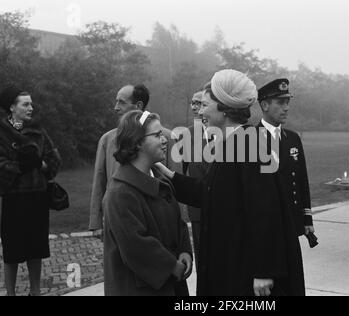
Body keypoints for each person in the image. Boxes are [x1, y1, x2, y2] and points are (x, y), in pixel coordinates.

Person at [156, 69, 306, 296]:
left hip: (246, 270)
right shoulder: (232, 143)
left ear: (224, 109)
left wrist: (263, 271)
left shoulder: (247, 145)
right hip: (234, 259)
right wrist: (172, 177)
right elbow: (214, 193)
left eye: (206, 105)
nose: (201, 111)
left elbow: (265, 212)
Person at [103, 110, 192, 296]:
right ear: (137, 142)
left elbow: (179, 223)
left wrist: (185, 251)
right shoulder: (120, 192)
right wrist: (171, 266)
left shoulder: (161, 181)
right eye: (157, 135)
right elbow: (134, 245)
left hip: (172, 285)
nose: (165, 139)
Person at [89, 84, 179, 238]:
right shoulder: (107, 139)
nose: (115, 107)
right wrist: (95, 222)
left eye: (121, 102)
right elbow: (100, 180)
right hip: (117, 215)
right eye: (116, 102)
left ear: (138, 105)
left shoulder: (169, 138)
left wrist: (179, 223)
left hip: (159, 219)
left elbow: (176, 184)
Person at [0, 87, 62, 296]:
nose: (30, 108)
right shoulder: (1, 132)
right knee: (12, 250)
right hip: (13, 198)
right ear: (11, 106)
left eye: (31, 104)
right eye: (25, 104)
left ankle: (35, 291)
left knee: (36, 248)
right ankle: (10, 293)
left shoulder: (38, 131)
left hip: (37, 197)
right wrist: (19, 167)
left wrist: (41, 164)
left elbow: (54, 160)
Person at [256, 78, 314, 294]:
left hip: (291, 224)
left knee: (294, 285)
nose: (286, 107)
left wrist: (306, 218)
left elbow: (301, 181)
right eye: (280, 102)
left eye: (287, 101)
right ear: (264, 105)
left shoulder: (292, 138)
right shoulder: (252, 140)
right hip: (270, 228)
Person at [181, 91, 210, 272]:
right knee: (203, 262)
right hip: (198, 210)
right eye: (192, 103)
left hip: (223, 208)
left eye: (199, 103)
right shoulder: (187, 135)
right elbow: (182, 171)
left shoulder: (224, 133)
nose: (194, 107)